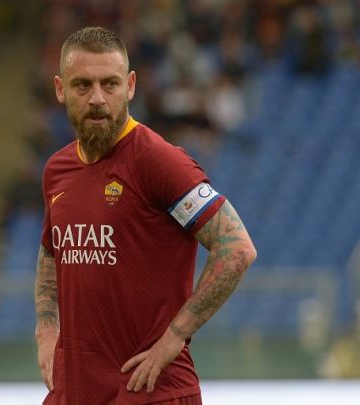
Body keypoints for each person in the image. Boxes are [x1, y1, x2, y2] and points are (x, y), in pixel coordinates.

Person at [35, 27, 257, 404]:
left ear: (131, 85)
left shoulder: (157, 160)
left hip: (150, 392)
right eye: (82, 85)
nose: (98, 99)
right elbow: (51, 251)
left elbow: (235, 247)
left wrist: (174, 337)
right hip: (74, 392)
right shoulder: (57, 170)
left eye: (110, 83)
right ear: (60, 89)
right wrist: (46, 328)